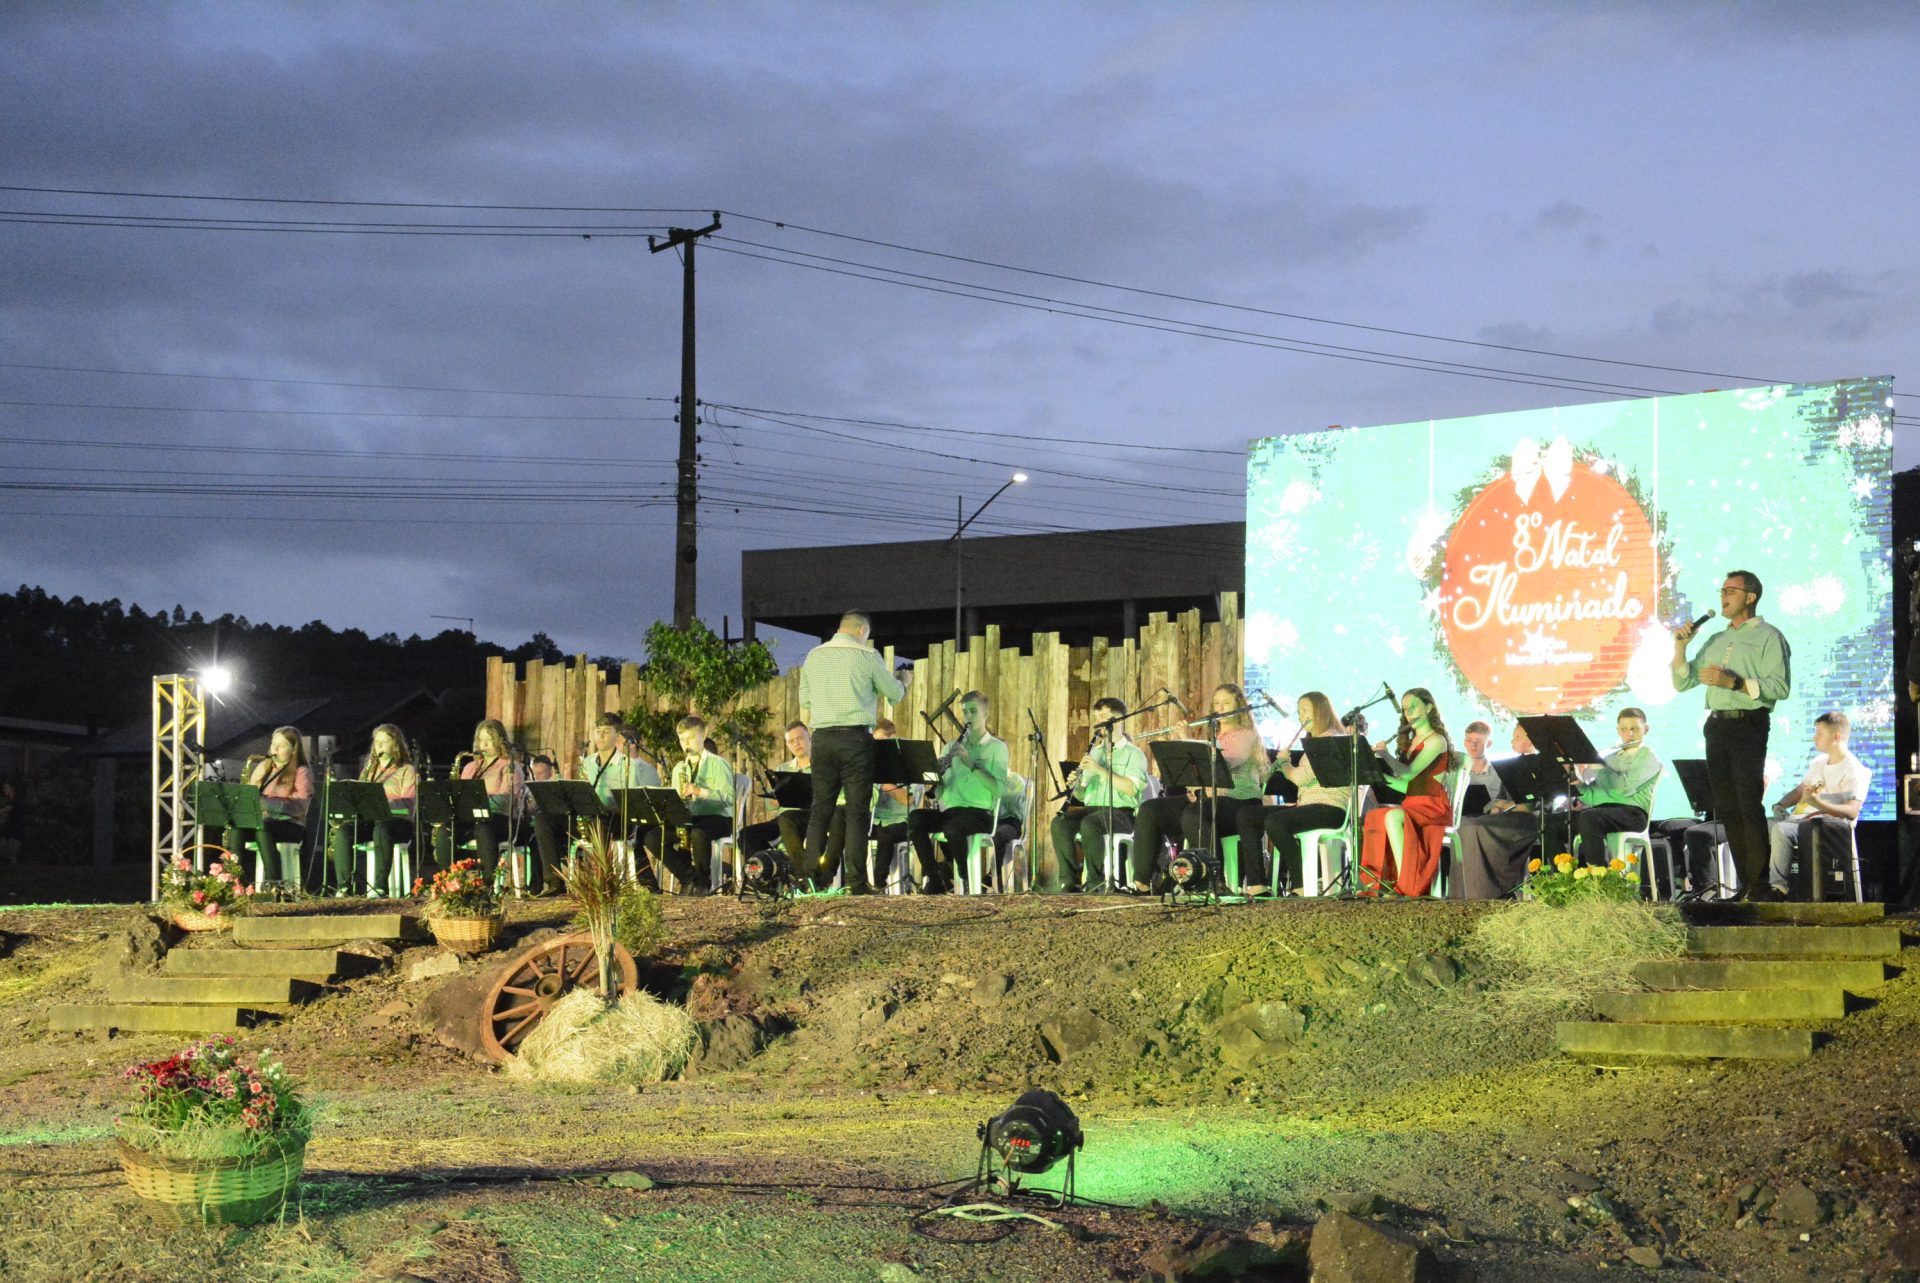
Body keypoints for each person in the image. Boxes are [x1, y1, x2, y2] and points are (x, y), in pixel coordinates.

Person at [1671, 570, 1792, 900]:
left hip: (1748, 723)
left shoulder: (1769, 636)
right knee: (1726, 807)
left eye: (1731, 590)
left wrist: (1734, 683)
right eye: (1722, 590)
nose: (1724, 596)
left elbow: (1780, 687)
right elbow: (1683, 682)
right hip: (1717, 725)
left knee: (1747, 803)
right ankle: (1747, 885)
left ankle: (1761, 885)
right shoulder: (1716, 639)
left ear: (1750, 597)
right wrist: (1680, 648)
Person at [799, 610, 908, 896]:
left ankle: (808, 879)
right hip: (855, 739)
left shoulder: (814, 656)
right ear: (862, 631)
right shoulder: (867, 656)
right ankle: (856, 883)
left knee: (820, 810)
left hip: (822, 738)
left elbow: (805, 701)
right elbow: (894, 694)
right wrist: (904, 682)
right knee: (857, 812)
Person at [1129, 684, 1267, 894]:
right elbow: (1195, 775)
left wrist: (1187, 739)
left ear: (1239, 706)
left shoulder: (1245, 735)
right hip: (1209, 800)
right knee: (1151, 809)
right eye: (1217, 703)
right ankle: (1142, 883)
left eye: (1226, 703)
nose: (1220, 707)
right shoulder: (1216, 737)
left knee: (1194, 814)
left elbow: (1220, 765)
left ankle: (1212, 881)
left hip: (1238, 801)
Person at [1235, 692, 1349, 895]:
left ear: (1321, 710)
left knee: (1276, 822)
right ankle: (1257, 884)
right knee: (1247, 815)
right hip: (1309, 806)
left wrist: (1285, 764)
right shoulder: (1315, 741)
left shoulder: (1329, 740)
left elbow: (1300, 778)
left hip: (1331, 808)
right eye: (1299, 711)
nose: (1301, 716)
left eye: (1306, 710)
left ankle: (1302, 882)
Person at [907, 690, 1008, 893]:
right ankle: (934, 878)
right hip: (952, 812)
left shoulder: (997, 747)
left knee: (953, 827)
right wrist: (934, 778)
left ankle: (965, 879)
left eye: (973, 711)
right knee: (915, 819)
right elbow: (939, 793)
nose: (968, 716)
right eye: (965, 712)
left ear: (985, 713)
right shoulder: (951, 747)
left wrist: (971, 764)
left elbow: (999, 790)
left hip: (980, 813)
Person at [1451, 722, 1565, 900]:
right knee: (1464, 824)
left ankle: (1490, 889)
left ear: (1531, 741)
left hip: (1527, 821)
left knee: (1476, 826)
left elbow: (1529, 806)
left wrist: (1499, 804)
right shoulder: (1513, 766)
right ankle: (1464, 891)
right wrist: (1496, 807)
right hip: (1506, 818)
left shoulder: (1543, 766)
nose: (1512, 741)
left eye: (1517, 737)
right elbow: (1502, 798)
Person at [1766, 712, 1871, 899]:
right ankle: (1756, 884)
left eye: (1819, 733)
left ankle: (1778, 889)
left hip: (1825, 824)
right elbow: (1800, 790)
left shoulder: (1855, 769)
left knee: (1781, 830)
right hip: (1799, 820)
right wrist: (1780, 804)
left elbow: (1852, 811)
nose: (1815, 738)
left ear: (1836, 736)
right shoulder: (1818, 762)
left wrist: (1818, 803)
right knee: (1759, 827)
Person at [1049, 696, 1149, 891]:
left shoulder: (1134, 754)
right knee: (1060, 823)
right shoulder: (1095, 753)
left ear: (1117, 720)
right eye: (1097, 717)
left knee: (1090, 823)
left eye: (1103, 716)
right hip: (1092, 809)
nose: (1098, 722)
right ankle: (1069, 882)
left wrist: (1100, 770)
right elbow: (1082, 796)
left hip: (1122, 812)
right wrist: (1075, 786)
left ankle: (1096, 883)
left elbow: (1131, 789)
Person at [1360, 688, 1452, 896]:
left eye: (1413, 707)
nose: (1409, 713)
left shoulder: (1436, 740)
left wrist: (1385, 755)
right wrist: (1375, 775)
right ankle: (1380, 883)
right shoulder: (1411, 743)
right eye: (1405, 709)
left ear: (1428, 708)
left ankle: (1407, 885)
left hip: (1432, 806)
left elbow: (1409, 774)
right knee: (1375, 815)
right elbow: (1406, 787)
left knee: (1392, 816)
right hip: (1413, 803)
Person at [646, 714, 734, 892]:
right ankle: (689, 878)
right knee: (653, 837)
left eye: (691, 738)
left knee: (698, 833)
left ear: (704, 735)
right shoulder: (679, 768)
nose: (686, 743)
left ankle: (702, 884)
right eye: (682, 739)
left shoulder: (718, 764)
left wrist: (700, 792)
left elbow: (728, 798)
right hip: (690, 819)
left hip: (718, 818)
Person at [328, 724, 418, 897]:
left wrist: (383, 803)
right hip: (372, 820)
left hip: (398, 822)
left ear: (395, 744)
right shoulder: (370, 769)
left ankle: (380, 886)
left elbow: (408, 804)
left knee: (382, 827)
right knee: (344, 831)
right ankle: (344, 886)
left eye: (384, 741)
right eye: (377, 742)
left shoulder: (407, 769)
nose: (379, 745)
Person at [1568, 708, 1662, 866]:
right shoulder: (1610, 758)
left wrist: (1599, 768)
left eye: (1635, 729)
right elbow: (1594, 797)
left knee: (1589, 817)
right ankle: (1563, 875)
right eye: (1624, 729)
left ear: (1646, 729)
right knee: (1554, 823)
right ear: (1618, 731)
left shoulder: (1648, 757)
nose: (1629, 734)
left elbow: (1624, 786)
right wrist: (1578, 783)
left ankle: (1599, 876)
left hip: (1633, 814)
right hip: (1604, 811)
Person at [227, 726, 312, 893]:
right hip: (264, 822)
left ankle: (274, 885)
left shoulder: (302, 771)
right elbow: (249, 796)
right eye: (273, 744)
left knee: (263, 828)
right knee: (237, 827)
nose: (275, 749)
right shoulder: (263, 767)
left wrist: (267, 804)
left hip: (291, 825)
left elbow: (299, 807)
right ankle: (234, 883)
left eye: (282, 745)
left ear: (293, 749)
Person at [440, 719, 523, 883]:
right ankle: (449, 881)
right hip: (472, 818)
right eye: (480, 740)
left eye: (488, 740)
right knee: (446, 830)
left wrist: (479, 801)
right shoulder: (470, 767)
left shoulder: (509, 765)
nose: (483, 745)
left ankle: (487, 883)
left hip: (502, 819)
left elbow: (506, 798)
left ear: (499, 741)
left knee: (483, 827)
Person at [739, 722, 817, 879]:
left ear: (809, 738)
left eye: (800, 738)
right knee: (747, 834)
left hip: (810, 817)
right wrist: (776, 800)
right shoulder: (782, 769)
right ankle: (769, 873)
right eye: (791, 741)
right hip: (782, 819)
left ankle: (802, 875)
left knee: (788, 820)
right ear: (787, 745)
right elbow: (770, 805)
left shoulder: (820, 767)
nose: (797, 744)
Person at [863, 718, 913, 889]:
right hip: (875, 819)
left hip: (901, 820)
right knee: (852, 830)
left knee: (886, 833)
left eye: (881, 742)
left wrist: (884, 783)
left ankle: (879, 883)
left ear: (893, 739)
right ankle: (857, 881)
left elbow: (908, 799)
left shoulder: (906, 762)